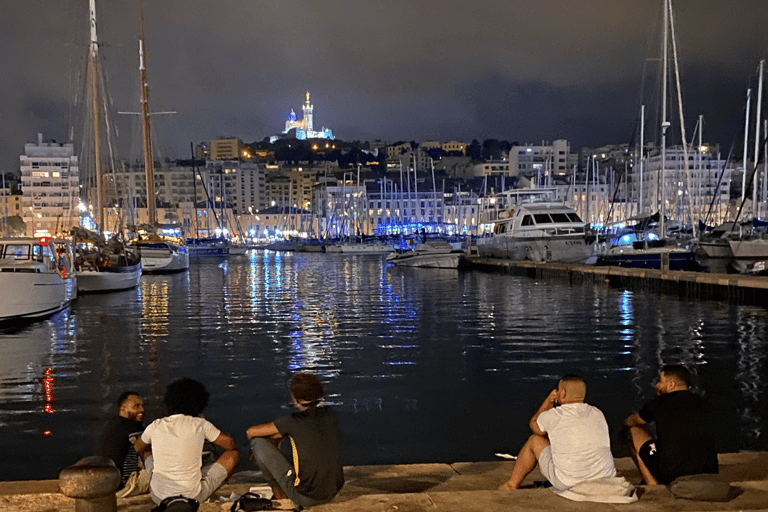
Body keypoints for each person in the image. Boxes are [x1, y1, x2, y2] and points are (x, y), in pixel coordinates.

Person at [499, 374, 616, 491]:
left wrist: (548, 401)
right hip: (605, 478)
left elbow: (534, 426)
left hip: (568, 481)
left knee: (534, 440)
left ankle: (511, 484)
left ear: (563, 393)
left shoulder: (555, 415)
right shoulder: (597, 413)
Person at [134, 378, 239, 505]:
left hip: (158, 497)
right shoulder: (199, 424)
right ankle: (209, 491)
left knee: (146, 450)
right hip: (191, 497)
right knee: (233, 455)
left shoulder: (156, 424)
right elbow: (230, 445)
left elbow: (137, 447)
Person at [247, 373, 344, 509]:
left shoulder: (291, 422)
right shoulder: (330, 416)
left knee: (257, 443)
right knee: (279, 436)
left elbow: (250, 432)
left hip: (306, 497)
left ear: (294, 398)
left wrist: (270, 441)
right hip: (333, 490)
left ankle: (280, 495)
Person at [624, 364, 718, 485]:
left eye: (659, 381)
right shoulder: (704, 403)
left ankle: (652, 483)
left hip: (673, 473)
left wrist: (624, 426)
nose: (656, 385)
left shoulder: (659, 403)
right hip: (709, 471)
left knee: (633, 430)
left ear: (671, 384)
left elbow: (633, 421)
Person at [94, 391, 146, 492]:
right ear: (123, 409)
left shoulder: (112, 424)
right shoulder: (133, 428)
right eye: (136, 406)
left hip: (107, 482)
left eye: (142, 406)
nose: (142, 410)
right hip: (124, 485)